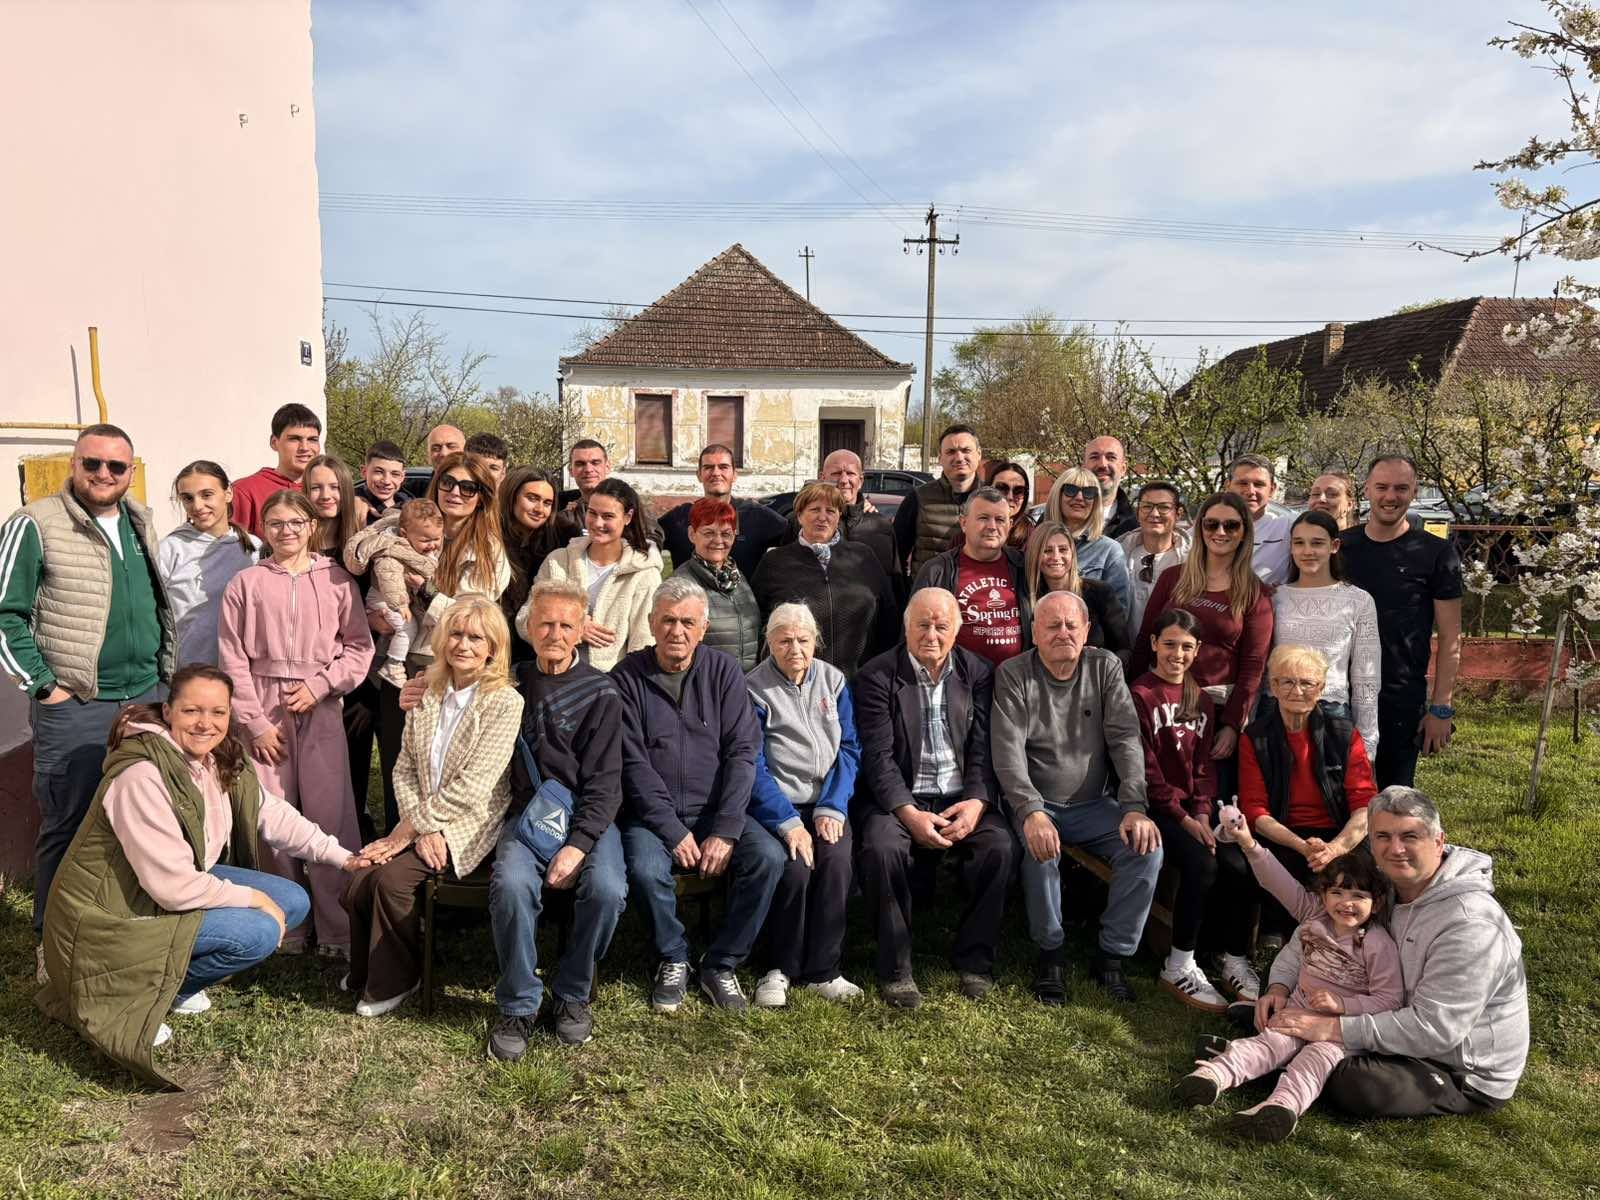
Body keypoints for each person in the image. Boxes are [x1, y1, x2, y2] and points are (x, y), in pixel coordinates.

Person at [36, 665, 365, 1085]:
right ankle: (137, 993)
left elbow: (273, 815)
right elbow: (172, 888)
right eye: (192, 710)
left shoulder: (216, 758)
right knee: (260, 930)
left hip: (163, 889)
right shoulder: (142, 776)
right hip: (114, 917)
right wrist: (254, 899)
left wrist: (343, 858)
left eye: (218, 712)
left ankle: (174, 987)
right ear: (168, 711)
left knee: (292, 901)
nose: (205, 723)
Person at [0, 424, 172, 975]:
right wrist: (44, 687)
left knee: (142, 818)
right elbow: (6, 614)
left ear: (130, 472)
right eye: (91, 463)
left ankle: (120, 930)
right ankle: (52, 944)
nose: (103, 474)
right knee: (68, 822)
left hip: (144, 697)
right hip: (76, 704)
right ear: (74, 464)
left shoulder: (140, 519)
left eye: (116, 466)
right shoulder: (35, 523)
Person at [1266, 786, 1528, 1119]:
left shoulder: (1471, 924)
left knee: (1357, 1085)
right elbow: (1316, 932)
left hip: (1456, 1067)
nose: (1396, 849)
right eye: (1383, 837)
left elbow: (1434, 1031)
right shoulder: (1380, 886)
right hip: (1375, 1008)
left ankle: (1276, 1049)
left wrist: (1331, 1029)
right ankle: (1279, 1040)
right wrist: (1279, 987)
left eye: (1409, 836)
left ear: (1438, 841)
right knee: (1280, 994)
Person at [342, 597, 522, 1019]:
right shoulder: (427, 691)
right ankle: (366, 969)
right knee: (359, 877)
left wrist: (411, 829)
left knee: (391, 882)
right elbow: (403, 767)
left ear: (493, 648)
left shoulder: (504, 702)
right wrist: (419, 828)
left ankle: (398, 979)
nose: (463, 645)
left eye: (476, 638)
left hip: (468, 824)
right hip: (421, 819)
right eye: (456, 634)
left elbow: (474, 787)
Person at [1177, 808, 1401, 1143]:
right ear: (1323, 895)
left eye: (1358, 896)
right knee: (1268, 1045)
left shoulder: (1377, 944)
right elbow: (1276, 880)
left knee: (1313, 1062)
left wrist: (1344, 1005)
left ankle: (1281, 1108)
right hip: (1295, 1013)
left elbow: (1390, 999)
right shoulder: (1315, 917)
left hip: (1338, 1033)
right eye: (1337, 893)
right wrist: (1249, 843)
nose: (1346, 903)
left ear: (1377, 902)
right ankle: (1211, 1076)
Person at [614, 579, 785, 1012]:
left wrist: (726, 830)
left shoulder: (724, 671)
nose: (677, 631)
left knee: (768, 858)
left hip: (715, 811)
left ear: (703, 628)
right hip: (652, 817)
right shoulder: (626, 677)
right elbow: (632, 765)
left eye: (688, 622)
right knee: (646, 869)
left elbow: (742, 753)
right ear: (652, 623)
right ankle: (673, 956)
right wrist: (671, 831)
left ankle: (722, 962)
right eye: (668, 621)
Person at [218, 489, 374, 956]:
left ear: (311, 526)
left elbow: (359, 646)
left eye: (294, 522)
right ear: (264, 530)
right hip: (263, 704)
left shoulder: (337, 579)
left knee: (330, 812)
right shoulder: (245, 583)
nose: (286, 531)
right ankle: (287, 923)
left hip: (319, 705)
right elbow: (231, 656)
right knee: (271, 812)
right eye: (276, 524)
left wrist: (322, 685)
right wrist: (253, 722)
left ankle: (338, 927)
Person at [992, 591, 1160, 1005]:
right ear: (1035, 632)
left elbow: (1125, 738)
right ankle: (1050, 954)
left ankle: (1111, 956)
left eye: (1071, 625)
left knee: (1145, 849)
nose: (1062, 633)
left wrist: (1134, 806)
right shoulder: (1014, 673)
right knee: (1040, 849)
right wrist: (1030, 811)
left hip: (1093, 805)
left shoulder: (1105, 667)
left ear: (1086, 631)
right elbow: (1008, 752)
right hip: (1036, 801)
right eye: (1052, 625)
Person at [854, 589, 1014, 1008]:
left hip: (961, 797)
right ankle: (896, 968)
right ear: (906, 627)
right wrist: (909, 814)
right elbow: (878, 757)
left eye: (942, 626)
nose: (931, 634)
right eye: (922, 624)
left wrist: (977, 802)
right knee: (882, 848)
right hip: (901, 798)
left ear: (957, 631)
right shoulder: (876, 675)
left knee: (998, 846)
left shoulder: (979, 673)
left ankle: (975, 961)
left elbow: (985, 749)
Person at [487, 581, 628, 1057]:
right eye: (545, 623)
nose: (555, 633)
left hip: (588, 815)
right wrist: (419, 685)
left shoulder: (601, 692)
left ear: (581, 631)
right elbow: (452, 687)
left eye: (566, 625)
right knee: (510, 885)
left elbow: (606, 783)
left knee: (607, 888)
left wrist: (579, 844)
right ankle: (519, 1002)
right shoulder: (507, 682)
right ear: (528, 627)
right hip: (525, 815)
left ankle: (572, 990)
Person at [346, 452, 509, 829]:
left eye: (468, 487)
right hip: (398, 662)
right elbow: (362, 562)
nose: (455, 492)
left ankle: (433, 852)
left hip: (449, 668)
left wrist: (426, 591)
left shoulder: (488, 551)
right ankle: (394, 844)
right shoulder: (402, 525)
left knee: (438, 770)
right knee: (397, 767)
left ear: (482, 496)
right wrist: (372, 614)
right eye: (448, 482)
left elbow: (473, 618)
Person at [1129, 610, 1256, 1011]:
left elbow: (1204, 767)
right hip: (1154, 808)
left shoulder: (1199, 697)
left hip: (1193, 809)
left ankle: (1232, 957)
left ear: (1198, 649)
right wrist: (1184, 820)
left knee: (1240, 862)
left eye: (1187, 647)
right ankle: (1179, 963)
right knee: (1202, 864)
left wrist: (1201, 813)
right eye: (1169, 644)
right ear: (1153, 644)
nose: (1177, 654)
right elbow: (1146, 770)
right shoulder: (1140, 694)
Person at [745, 603, 863, 1008]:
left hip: (827, 802)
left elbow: (850, 748)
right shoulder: (754, 688)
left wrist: (833, 806)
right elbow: (752, 764)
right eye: (784, 641)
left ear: (816, 642)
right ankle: (778, 968)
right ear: (769, 643)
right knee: (794, 870)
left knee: (837, 862)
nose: (794, 649)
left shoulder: (833, 680)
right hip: (779, 808)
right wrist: (787, 821)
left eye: (803, 640)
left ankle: (824, 970)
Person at [1130, 492, 1273, 801]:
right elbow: (1145, 640)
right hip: (1160, 708)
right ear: (1200, 528)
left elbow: (1254, 666)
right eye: (1211, 524)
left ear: (1244, 532)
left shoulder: (1255, 594)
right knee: (1157, 800)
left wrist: (1232, 724)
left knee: (1209, 803)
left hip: (1216, 713)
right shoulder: (1173, 578)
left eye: (1231, 525)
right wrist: (1130, 699)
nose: (1220, 532)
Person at [1237, 645, 1378, 944]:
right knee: (1270, 864)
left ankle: (1358, 942)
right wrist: (1304, 848)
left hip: (1338, 830)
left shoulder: (1343, 733)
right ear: (1273, 687)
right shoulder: (1255, 738)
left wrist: (1335, 848)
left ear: (1321, 687)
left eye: (1307, 683)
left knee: (1361, 869)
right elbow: (1256, 812)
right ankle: (1280, 935)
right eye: (1287, 681)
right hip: (1284, 832)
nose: (1297, 690)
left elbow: (1364, 805)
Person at [1339, 456, 1463, 789]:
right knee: (1333, 798)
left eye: (1401, 488)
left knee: (1392, 798)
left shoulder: (1437, 553)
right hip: (1338, 694)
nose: (1390, 496)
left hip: (1399, 698)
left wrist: (1441, 708)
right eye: (1381, 487)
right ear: (1367, 489)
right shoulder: (1341, 548)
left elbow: (1450, 637)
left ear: (1415, 491)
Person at [752, 482, 898, 680]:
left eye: (830, 511)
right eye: (814, 510)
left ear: (838, 516)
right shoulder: (775, 562)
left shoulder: (863, 557)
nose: (822, 517)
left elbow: (889, 617)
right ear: (799, 515)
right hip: (798, 681)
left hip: (860, 680)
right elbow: (758, 623)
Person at [527, 477, 663, 673]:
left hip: (612, 681)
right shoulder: (558, 561)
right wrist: (575, 626)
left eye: (608, 516)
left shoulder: (644, 574)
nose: (598, 523)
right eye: (592, 513)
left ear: (627, 517)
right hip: (552, 676)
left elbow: (643, 643)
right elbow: (524, 620)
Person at [1273, 510, 1381, 753]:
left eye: (1317, 543)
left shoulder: (1358, 601)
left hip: (1331, 714)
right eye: (1299, 543)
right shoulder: (1275, 598)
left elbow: (1366, 676)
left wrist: (1367, 742)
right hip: (1277, 713)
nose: (1307, 551)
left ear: (1334, 546)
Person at [913, 486, 1032, 667]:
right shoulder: (937, 571)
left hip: (1015, 678)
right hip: (960, 679)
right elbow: (915, 634)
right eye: (983, 518)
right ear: (963, 523)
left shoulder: (1024, 567)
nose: (992, 526)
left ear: (1009, 526)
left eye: (1000, 519)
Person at [158, 460, 259, 668]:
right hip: (187, 672)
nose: (197, 506)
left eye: (206, 495)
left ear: (228, 493)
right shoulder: (169, 549)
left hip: (241, 673)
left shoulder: (254, 548)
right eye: (188, 498)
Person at [660, 444, 789, 577]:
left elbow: (796, 538)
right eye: (708, 467)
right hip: (687, 589)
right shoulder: (679, 518)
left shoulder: (757, 516)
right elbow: (648, 535)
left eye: (723, 467)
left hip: (743, 590)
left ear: (734, 475)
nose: (716, 473)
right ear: (699, 475)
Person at [363, 499, 444, 688]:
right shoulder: (392, 550)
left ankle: (378, 661)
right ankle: (393, 665)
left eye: (437, 539)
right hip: (384, 600)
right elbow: (389, 577)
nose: (432, 545)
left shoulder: (417, 548)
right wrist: (400, 604)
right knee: (408, 627)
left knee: (395, 633)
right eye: (426, 541)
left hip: (394, 600)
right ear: (404, 534)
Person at [675, 497, 762, 671]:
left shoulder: (737, 577)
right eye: (709, 533)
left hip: (747, 681)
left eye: (726, 534)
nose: (718, 540)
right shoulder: (683, 584)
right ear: (692, 534)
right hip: (709, 682)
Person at [1021, 520, 1131, 656]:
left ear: (1072, 553)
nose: (1056, 557)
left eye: (1063, 549)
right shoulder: (1025, 598)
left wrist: (1103, 661)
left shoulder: (1100, 592)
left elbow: (1124, 650)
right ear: (1035, 555)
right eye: (1047, 550)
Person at [894, 423, 983, 579]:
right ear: (940, 458)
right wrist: (909, 590)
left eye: (966, 450)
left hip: (979, 591)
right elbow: (896, 556)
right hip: (928, 591)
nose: (959, 458)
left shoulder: (993, 499)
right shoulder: (918, 498)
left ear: (979, 454)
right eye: (951, 452)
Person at [1043, 466, 1133, 614]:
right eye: (1071, 490)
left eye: (1088, 492)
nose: (1079, 497)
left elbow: (1119, 614)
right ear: (1057, 495)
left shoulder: (1109, 550)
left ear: (1096, 501)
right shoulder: (1036, 543)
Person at [497, 467, 564, 661]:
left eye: (547, 503)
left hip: (539, 652)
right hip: (492, 646)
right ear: (512, 496)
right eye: (532, 498)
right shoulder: (488, 537)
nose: (539, 509)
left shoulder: (561, 541)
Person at [230, 403, 323, 538]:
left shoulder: (329, 492)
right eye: (294, 439)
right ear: (274, 442)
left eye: (312, 440)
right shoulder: (245, 491)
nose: (304, 447)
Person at [814, 448, 900, 587]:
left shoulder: (881, 526)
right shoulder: (805, 524)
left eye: (850, 473)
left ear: (860, 480)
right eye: (836, 473)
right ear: (822, 478)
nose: (843, 480)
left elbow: (894, 580)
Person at [558, 439, 663, 547]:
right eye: (580, 464)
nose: (588, 469)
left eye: (595, 463)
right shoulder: (565, 515)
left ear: (607, 467)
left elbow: (652, 544)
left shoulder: (631, 505)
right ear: (570, 471)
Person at [1117, 480, 1190, 635]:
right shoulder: (1118, 554)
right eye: (1147, 506)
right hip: (1126, 648)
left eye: (1163, 507)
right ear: (1138, 512)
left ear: (1178, 513)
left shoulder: (1192, 559)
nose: (1154, 514)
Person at [1226, 453, 1293, 586]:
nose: (1251, 491)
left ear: (1272, 489)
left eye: (1258, 484)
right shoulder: (1208, 527)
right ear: (1228, 486)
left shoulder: (1288, 526)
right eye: (1242, 483)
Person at [948, 460, 1034, 552]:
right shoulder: (965, 533)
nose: (1010, 497)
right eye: (1001, 488)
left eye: (1019, 491)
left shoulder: (1034, 537)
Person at [303, 453, 362, 558]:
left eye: (335, 487)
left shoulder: (362, 543)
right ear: (306, 492)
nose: (325, 496)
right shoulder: (293, 542)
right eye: (316, 488)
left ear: (346, 491)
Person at [1084, 435, 1139, 539]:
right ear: (1084, 467)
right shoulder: (1059, 517)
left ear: (1123, 469)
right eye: (1094, 457)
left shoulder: (1137, 526)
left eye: (1111, 457)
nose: (1102, 464)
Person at [354, 440, 414, 525]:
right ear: (364, 472)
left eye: (395, 474)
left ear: (402, 477)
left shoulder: (412, 509)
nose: (386, 481)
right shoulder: (349, 506)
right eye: (379, 472)